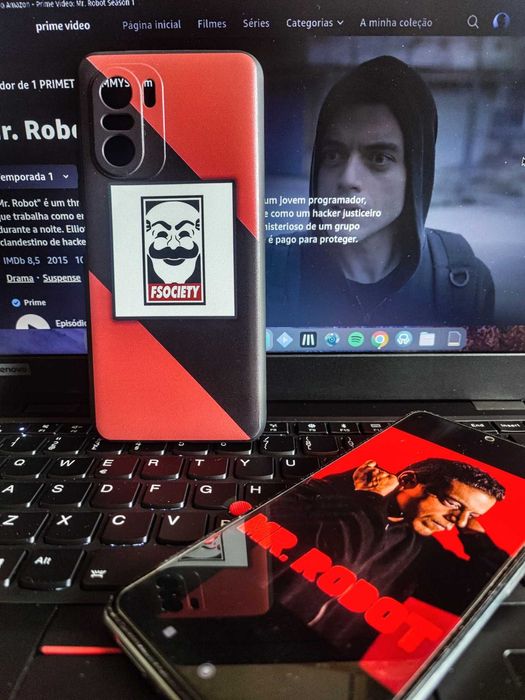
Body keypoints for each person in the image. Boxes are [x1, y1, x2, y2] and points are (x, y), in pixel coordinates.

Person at [267, 56, 495, 326]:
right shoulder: (267, 269)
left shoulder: (462, 282)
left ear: (416, 173)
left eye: (378, 158)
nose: (348, 179)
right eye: (333, 155)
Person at [269, 457, 507, 655]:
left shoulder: (419, 552)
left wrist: (477, 540)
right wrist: (371, 499)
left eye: (471, 515)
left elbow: (491, 598)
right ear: (407, 480)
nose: (458, 521)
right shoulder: (313, 496)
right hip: (259, 634)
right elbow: (336, 558)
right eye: (452, 503)